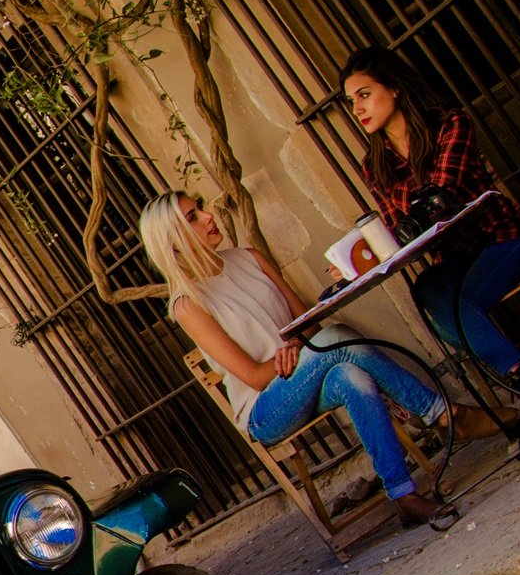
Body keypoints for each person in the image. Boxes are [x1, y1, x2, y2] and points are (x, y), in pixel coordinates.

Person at [138, 188, 499, 526]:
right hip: (267, 408)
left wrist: (300, 342)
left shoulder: (248, 258)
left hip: (310, 372)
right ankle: (442, 414)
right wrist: (298, 347)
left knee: (350, 375)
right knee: (337, 339)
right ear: (173, 241)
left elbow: (308, 326)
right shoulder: (188, 304)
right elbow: (256, 377)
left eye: (200, 207)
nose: (208, 216)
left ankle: (404, 496)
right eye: (192, 217)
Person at [340, 46, 520, 446]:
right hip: (456, 260)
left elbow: (441, 196)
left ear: (394, 88)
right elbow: (400, 229)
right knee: (429, 289)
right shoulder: (374, 164)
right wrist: (354, 259)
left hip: (505, 238)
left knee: (452, 308)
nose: (357, 108)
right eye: (351, 102)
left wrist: (410, 225)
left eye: (364, 94)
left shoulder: (449, 125)